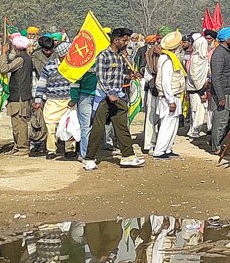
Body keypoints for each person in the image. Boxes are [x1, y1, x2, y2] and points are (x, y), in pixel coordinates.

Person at [84, 28, 144, 171]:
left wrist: (129, 76)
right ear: (116, 40)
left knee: (122, 127)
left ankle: (128, 156)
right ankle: (89, 158)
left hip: (119, 97)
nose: (126, 43)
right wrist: (109, 93)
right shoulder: (103, 55)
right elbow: (101, 77)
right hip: (104, 98)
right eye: (124, 40)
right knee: (98, 129)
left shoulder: (121, 56)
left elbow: (117, 75)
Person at [34, 39, 76, 160]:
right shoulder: (49, 66)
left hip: (69, 100)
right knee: (51, 127)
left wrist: (75, 98)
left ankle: (70, 150)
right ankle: (51, 150)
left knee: (70, 126)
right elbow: (42, 84)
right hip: (52, 101)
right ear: (64, 55)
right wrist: (38, 100)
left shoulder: (74, 67)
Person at [150, 31, 185, 159]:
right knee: (167, 124)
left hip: (175, 95)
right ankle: (159, 150)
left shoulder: (171, 59)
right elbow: (165, 82)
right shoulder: (167, 60)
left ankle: (168, 148)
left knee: (173, 124)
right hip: (169, 97)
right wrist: (170, 100)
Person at [0, 35, 37, 155]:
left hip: (20, 95)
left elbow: (4, 68)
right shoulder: (26, 58)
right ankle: (17, 146)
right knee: (15, 123)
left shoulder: (21, 59)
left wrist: (3, 54)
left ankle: (23, 148)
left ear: (15, 47)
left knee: (20, 123)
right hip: (19, 94)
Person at [207, 26, 230, 152]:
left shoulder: (229, 51)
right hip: (223, 93)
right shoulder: (219, 54)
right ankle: (216, 147)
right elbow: (216, 77)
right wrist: (221, 97)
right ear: (226, 39)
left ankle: (217, 141)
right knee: (220, 122)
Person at [186, 33, 212, 139]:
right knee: (197, 112)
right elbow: (195, 77)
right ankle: (194, 131)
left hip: (202, 87)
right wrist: (201, 92)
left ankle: (195, 131)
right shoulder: (196, 58)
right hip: (196, 89)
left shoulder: (201, 57)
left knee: (200, 112)